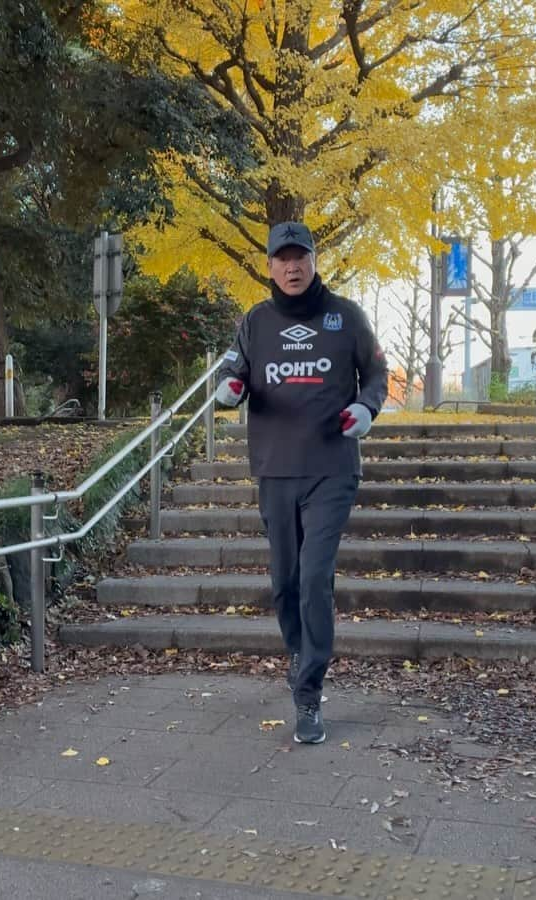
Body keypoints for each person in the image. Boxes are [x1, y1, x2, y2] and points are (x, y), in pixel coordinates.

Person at [215, 221, 388, 744]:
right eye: (282, 259)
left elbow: (378, 373)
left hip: (332, 468)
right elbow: (230, 373)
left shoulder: (347, 317)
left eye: (301, 257)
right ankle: (298, 653)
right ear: (269, 266)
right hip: (274, 469)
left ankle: (308, 692)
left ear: (314, 260)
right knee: (286, 582)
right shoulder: (256, 322)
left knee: (315, 576)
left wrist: (366, 405)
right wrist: (228, 389)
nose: (292, 267)